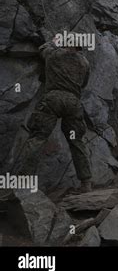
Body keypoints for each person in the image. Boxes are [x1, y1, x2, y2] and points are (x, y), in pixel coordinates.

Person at [17, 36, 92, 193]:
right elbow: (83, 83)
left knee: (38, 137)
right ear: (79, 47)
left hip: (53, 99)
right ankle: (86, 183)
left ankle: (24, 182)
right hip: (73, 103)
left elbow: (43, 48)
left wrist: (55, 40)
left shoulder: (54, 54)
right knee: (76, 141)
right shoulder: (85, 63)